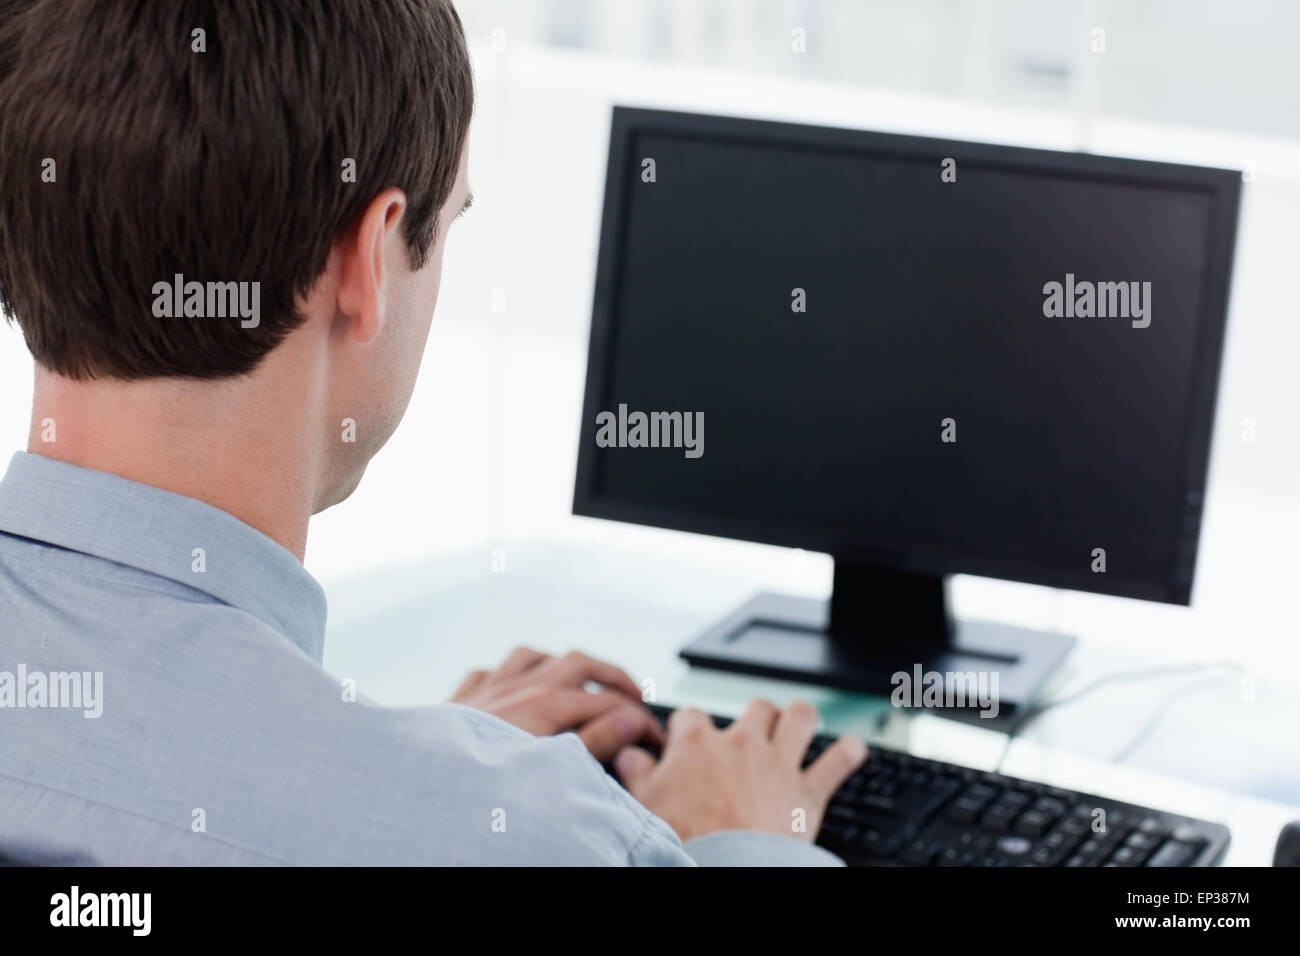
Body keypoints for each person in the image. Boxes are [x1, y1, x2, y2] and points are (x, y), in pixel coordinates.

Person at [0, 0, 865, 866]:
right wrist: (740, 839)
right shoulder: (543, 842)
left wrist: (407, 769)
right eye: (448, 223)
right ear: (369, 258)